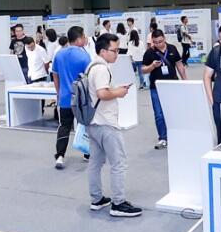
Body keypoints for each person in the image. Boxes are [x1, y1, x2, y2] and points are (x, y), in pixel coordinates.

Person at [85, 33, 142, 218]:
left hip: (92, 122)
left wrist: (116, 90)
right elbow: (102, 93)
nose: (117, 54)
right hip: (105, 122)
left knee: (95, 163)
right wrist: (119, 92)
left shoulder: (91, 66)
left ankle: (97, 199)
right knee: (119, 163)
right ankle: (118, 203)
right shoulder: (102, 69)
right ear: (103, 51)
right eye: (114, 50)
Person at [51, 26, 92, 169]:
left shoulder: (59, 54)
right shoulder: (85, 56)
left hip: (64, 98)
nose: (85, 39)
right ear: (79, 38)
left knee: (64, 126)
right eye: (84, 36)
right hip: (81, 99)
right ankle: (87, 153)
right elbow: (89, 79)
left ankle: (60, 156)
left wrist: (58, 92)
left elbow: (55, 75)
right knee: (85, 125)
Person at [141, 28, 186, 149]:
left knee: (174, 111)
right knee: (159, 113)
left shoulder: (172, 49)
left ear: (164, 38)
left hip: (173, 86)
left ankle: (176, 134)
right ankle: (163, 137)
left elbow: (179, 65)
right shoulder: (149, 53)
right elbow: (143, 70)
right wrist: (152, 66)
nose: (158, 44)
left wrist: (185, 81)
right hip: (156, 87)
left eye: (160, 41)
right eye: (155, 42)